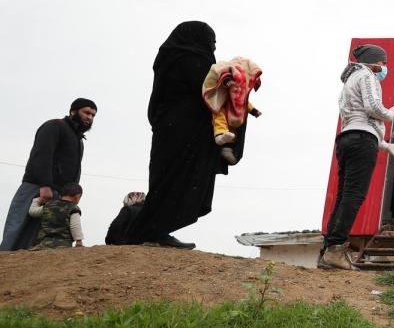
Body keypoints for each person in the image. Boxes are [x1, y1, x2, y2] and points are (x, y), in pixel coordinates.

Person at [123, 21, 232, 249]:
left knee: (167, 181)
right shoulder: (191, 59)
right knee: (173, 181)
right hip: (185, 130)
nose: (212, 47)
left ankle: (155, 232)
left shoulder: (169, 59)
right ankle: (147, 232)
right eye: (210, 41)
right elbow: (209, 91)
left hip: (170, 129)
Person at [321, 44, 394, 269]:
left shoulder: (349, 82)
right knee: (354, 195)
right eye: (382, 63)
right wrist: (391, 113)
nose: (383, 67)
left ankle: (328, 250)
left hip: (348, 139)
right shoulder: (367, 75)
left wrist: (385, 145)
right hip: (362, 141)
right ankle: (336, 249)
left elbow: (358, 120)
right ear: (373, 62)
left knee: (343, 196)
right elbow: (372, 108)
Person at [1, 98, 97, 251]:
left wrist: (71, 195)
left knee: (45, 239)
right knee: (18, 231)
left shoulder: (79, 141)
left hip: (59, 195)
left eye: (93, 115)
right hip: (37, 188)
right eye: (86, 112)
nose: (90, 117)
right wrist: (45, 185)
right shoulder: (54, 126)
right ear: (73, 111)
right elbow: (42, 155)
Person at [202, 57, 263, 164]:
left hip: (233, 111)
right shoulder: (230, 72)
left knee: (233, 130)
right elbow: (222, 77)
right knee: (219, 117)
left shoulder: (240, 92)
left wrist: (253, 111)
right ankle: (219, 135)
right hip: (222, 104)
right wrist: (227, 81)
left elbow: (245, 103)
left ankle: (227, 148)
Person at [29, 182, 84, 249]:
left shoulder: (49, 205)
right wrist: (79, 241)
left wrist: (37, 200)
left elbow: (33, 212)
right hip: (63, 244)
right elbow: (75, 226)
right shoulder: (73, 208)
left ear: (60, 196)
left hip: (43, 243)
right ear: (77, 197)